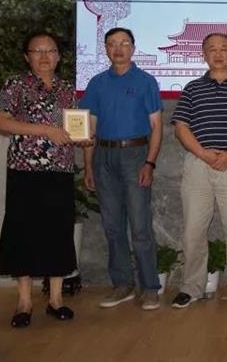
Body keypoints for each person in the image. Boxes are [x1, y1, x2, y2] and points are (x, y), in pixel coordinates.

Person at [0, 30, 79, 327]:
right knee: (23, 232)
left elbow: (72, 127)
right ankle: (24, 302)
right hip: (24, 170)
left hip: (60, 171)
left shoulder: (67, 89)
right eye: (37, 51)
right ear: (27, 57)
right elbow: (1, 122)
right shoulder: (15, 85)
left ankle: (56, 299)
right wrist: (45, 130)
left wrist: (81, 138)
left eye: (50, 51)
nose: (44, 56)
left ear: (59, 56)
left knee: (58, 231)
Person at [170, 33, 227, 309]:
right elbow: (181, 127)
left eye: (223, 49)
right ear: (203, 54)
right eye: (212, 49)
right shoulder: (192, 88)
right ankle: (191, 287)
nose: (218, 54)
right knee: (193, 230)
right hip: (198, 165)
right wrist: (203, 154)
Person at [81, 27, 163, 311]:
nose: (118, 49)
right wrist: (88, 165)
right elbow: (89, 128)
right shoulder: (96, 83)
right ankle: (122, 284)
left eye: (124, 43)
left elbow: (156, 126)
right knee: (112, 226)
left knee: (140, 227)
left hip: (135, 155)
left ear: (133, 48)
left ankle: (149, 287)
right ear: (105, 49)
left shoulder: (145, 81)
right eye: (112, 44)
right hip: (103, 156)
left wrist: (149, 162)